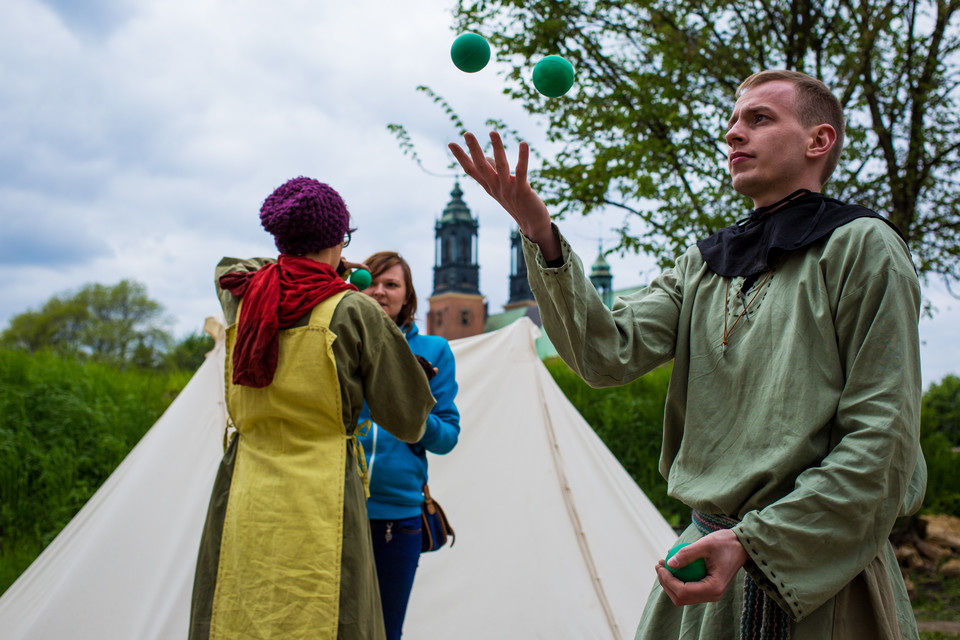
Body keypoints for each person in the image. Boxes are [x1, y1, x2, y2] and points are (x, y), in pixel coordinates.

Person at [449, 70, 926, 640]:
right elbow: (606, 354)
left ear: (817, 141)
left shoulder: (864, 248)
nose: (734, 134)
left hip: (817, 577)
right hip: (702, 568)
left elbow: (884, 440)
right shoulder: (705, 263)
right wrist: (539, 231)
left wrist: (757, 543)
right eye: (731, 122)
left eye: (759, 119)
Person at [189, 177, 436, 640]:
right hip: (323, 496)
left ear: (281, 239)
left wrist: (319, 258)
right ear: (339, 239)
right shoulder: (354, 310)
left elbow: (231, 264)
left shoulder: (243, 293)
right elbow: (408, 416)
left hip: (246, 487)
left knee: (239, 610)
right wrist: (334, 269)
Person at [355, 251, 461, 640]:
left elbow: (447, 437)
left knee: (384, 631)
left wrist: (411, 413)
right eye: (373, 283)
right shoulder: (336, 341)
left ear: (407, 295)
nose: (381, 292)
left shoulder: (434, 350)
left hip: (397, 518)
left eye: (392, 284)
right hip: (334, 506)